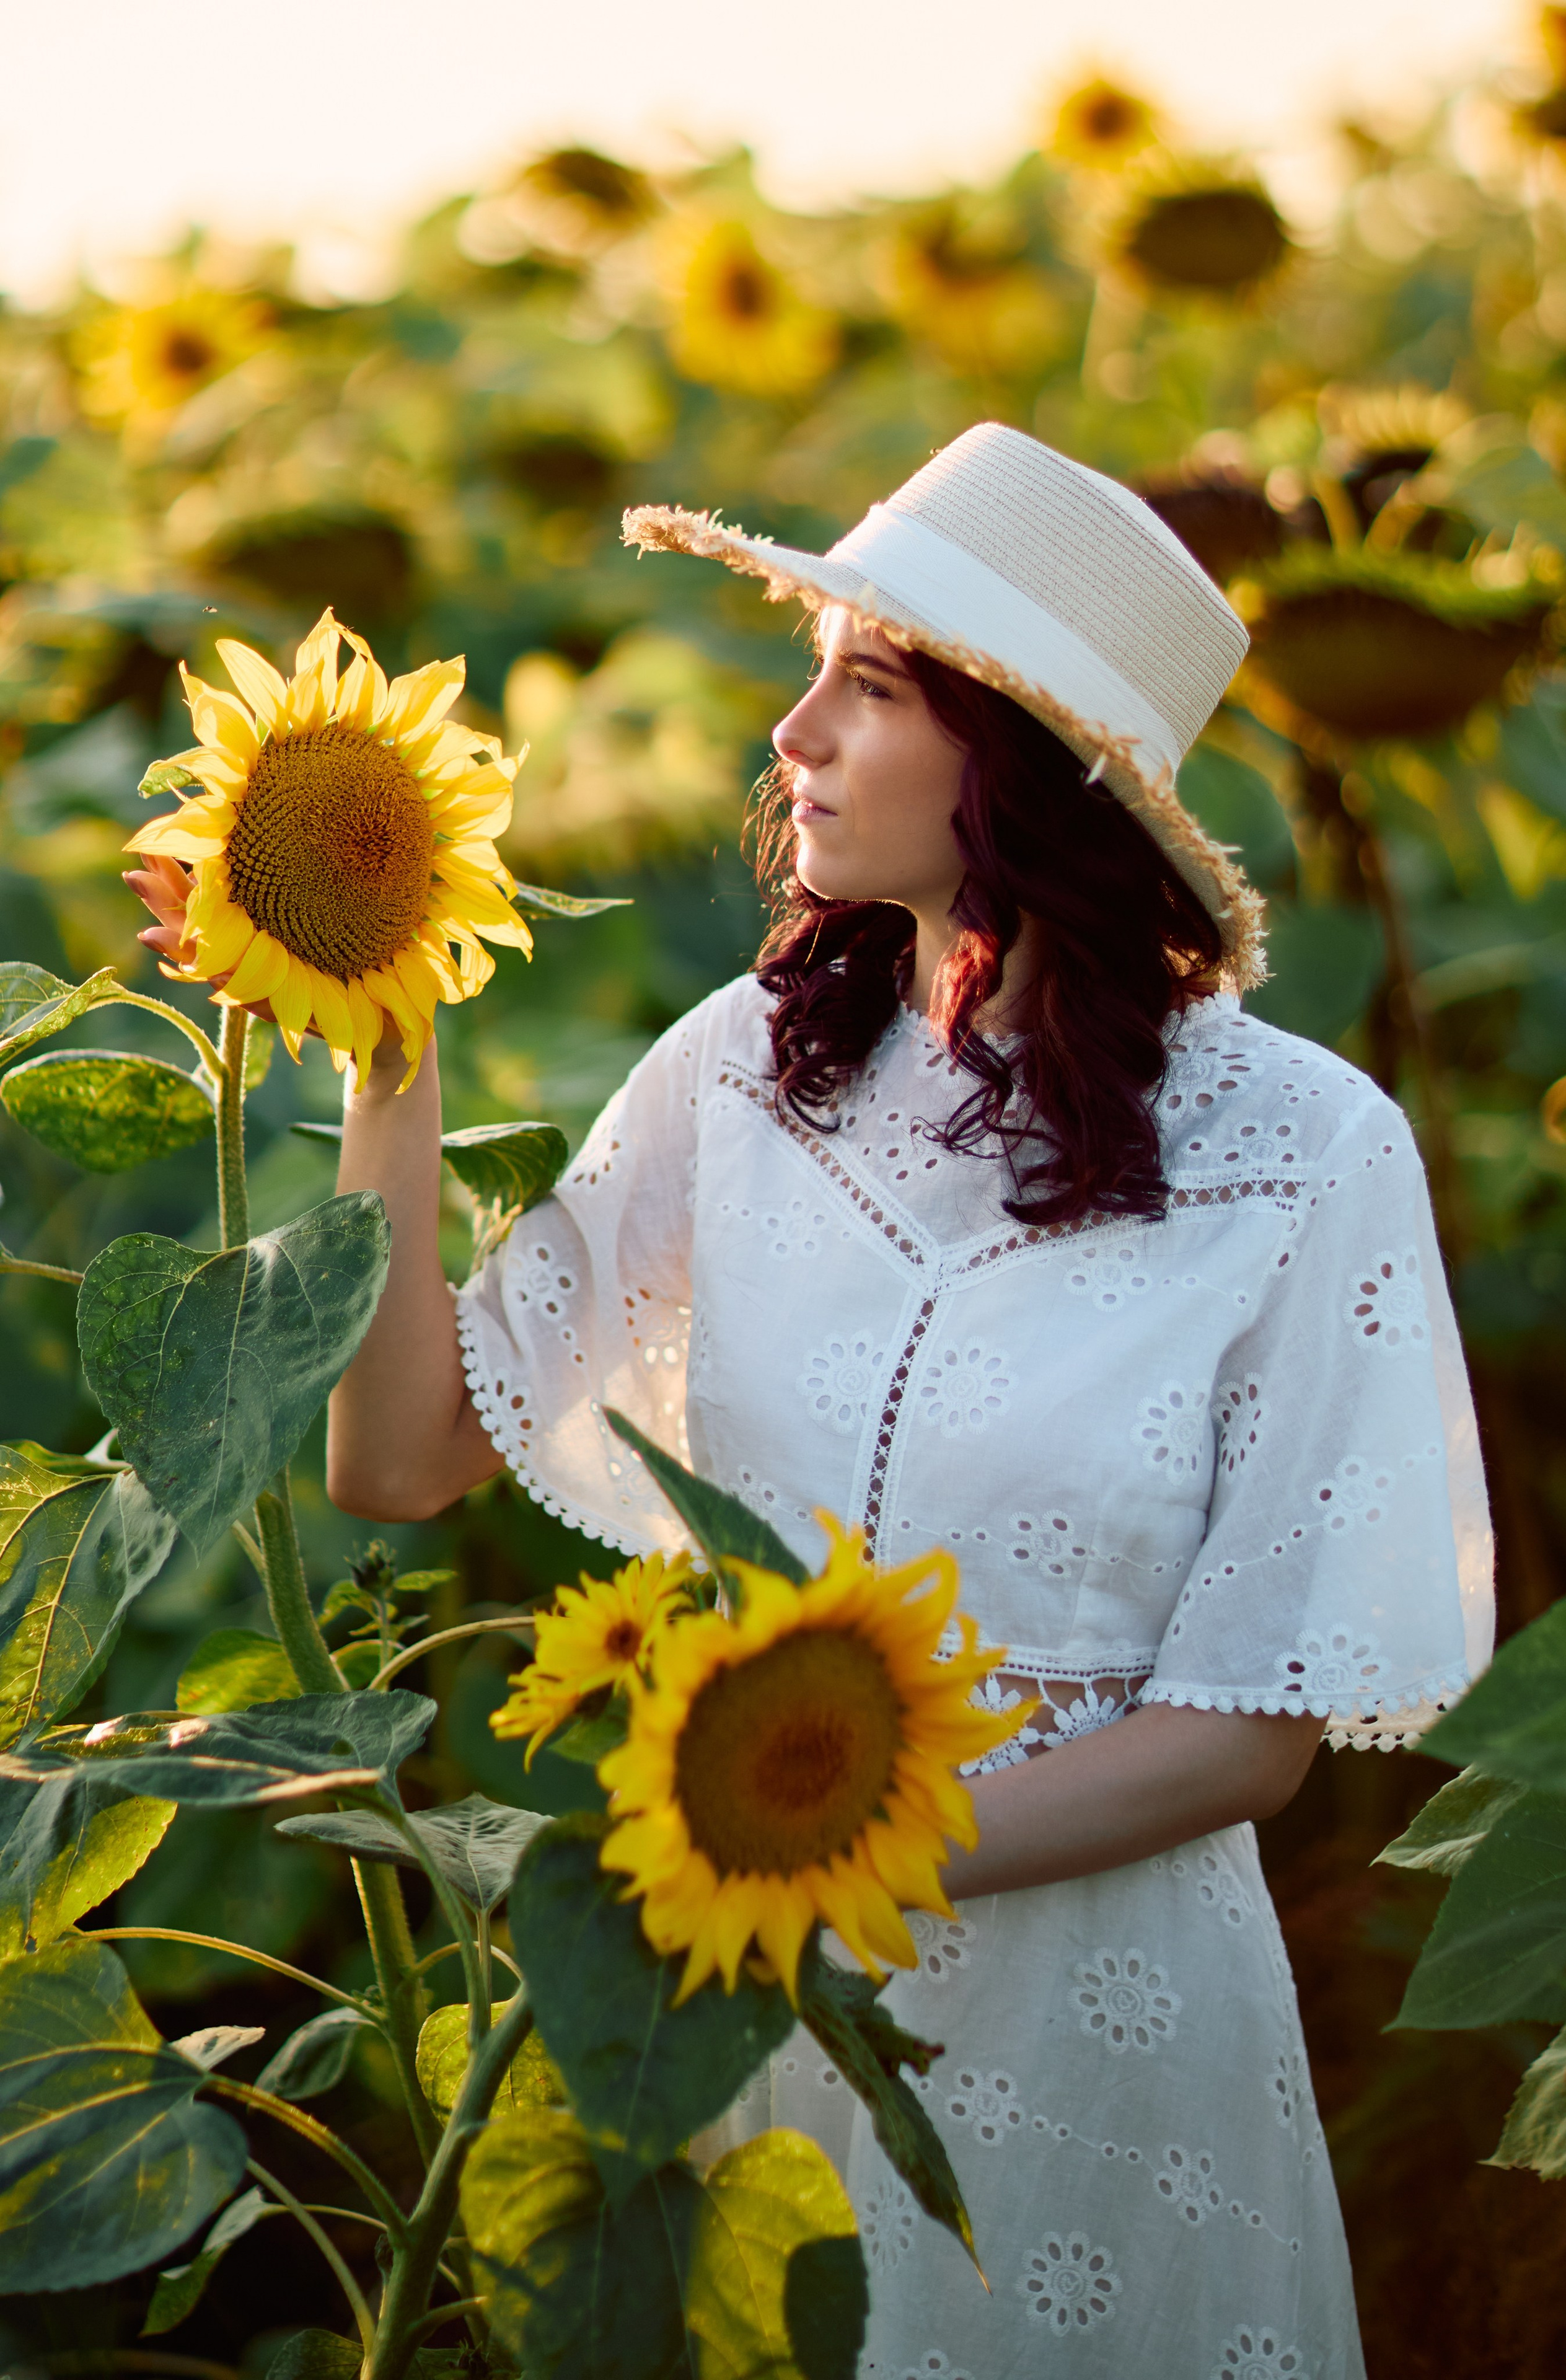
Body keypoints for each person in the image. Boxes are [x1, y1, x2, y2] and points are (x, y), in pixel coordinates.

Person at [134, 423, 1493, 2379]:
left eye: (866, 683)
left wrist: (812, 1860)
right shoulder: (754, 1075)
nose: (795, 737)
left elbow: (1244, 1740)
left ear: (1021, 755)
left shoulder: (1303, 1153)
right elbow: (398, 1454)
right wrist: (389, 1029)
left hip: (1090, 2020)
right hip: (745, 2000)